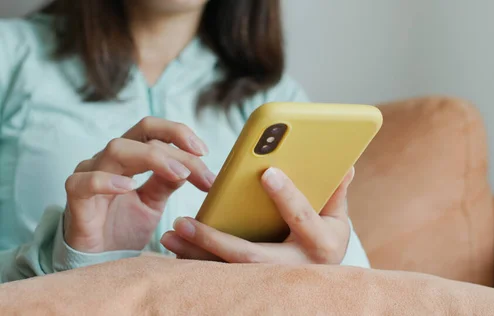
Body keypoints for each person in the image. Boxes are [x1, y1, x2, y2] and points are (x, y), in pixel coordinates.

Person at [0, 0, 370, 283]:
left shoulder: (277, 99)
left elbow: (369, 284)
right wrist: (58, 260)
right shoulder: (11, 54)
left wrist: (335, 259)